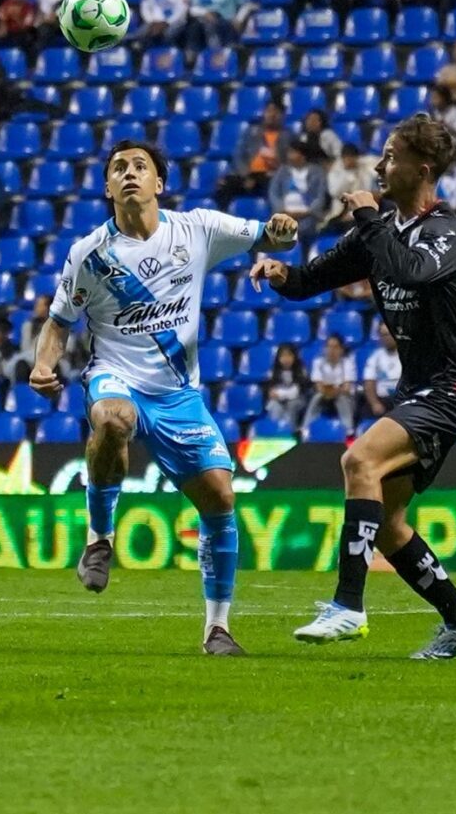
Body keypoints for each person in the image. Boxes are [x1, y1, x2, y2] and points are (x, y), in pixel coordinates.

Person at [31, 139, 298, 655]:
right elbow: (57, 324)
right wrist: (43, 363)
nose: (128, 173)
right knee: (112, 419)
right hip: (115, 375)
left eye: (140, 166)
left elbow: (274, 238)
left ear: (160, 182)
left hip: (178, 394)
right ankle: (99, 539)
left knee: (221, 498)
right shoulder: (90, 254)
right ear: (108, 188)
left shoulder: (197, 229)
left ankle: (216, 629)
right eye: (117, 168)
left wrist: (283, 230)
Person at [250, 114, 456, 659]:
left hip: (455, 387)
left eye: (390, 157)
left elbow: (409, 272)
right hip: (419, 390)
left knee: (358, 462)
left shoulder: (446, 231)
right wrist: (280, 272)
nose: (380, 167)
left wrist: (370, 217)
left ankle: (348, 607)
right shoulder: (379, 231)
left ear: (421, 168)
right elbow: (310, 280)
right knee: (386, 523)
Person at [301, 334, 357, 436]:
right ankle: (306, 428)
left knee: (342, 398)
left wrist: (335, 391)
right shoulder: (318, 362)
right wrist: (329, 391)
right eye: (329, 347)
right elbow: (318, 386)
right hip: (324, 395)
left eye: (335, 347)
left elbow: (347, 387)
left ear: (341, 349)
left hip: (343, 395)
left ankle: (348, 429)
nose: (332, 350)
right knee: (317, 397)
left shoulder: (347, 363)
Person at [363, 328, 403, 417]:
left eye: (389, 334)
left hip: (402, 399)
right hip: (382, 400)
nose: (387, 338)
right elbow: (369, 383)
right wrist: (374, 403)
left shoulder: (405, 354)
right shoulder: (375, 357)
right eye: (384, 335)